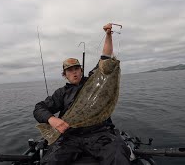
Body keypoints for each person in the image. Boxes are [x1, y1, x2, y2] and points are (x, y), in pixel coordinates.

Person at [33, 23, 131, 165]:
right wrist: (51, 119)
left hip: (99, 134)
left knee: (118, 157)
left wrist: (109, 35)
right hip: (70, 137)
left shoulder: (94, 79)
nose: (74, 72)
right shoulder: (61, 93)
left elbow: (106, 58)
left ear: (81, 70)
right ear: (65, 74)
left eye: (77, 68)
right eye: (70, 70)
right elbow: (39, 108)